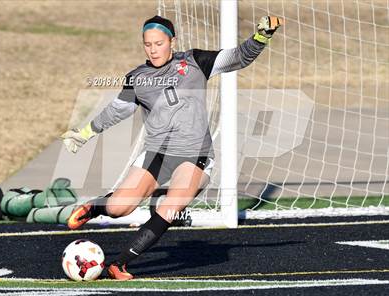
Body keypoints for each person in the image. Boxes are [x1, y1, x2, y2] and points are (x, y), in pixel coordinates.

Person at [61, 15, 282, 280]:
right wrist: (84, 133)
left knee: (170, 207)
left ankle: (118, 264)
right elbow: (116, 112)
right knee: (120, 208)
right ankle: (95, 208)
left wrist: (261, 37)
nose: (153, 50)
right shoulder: (137, 78)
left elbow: (238, 57)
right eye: (147, 44)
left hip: (195, 156)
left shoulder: (195, 62)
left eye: (159, 43)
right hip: (157, 153)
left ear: (172, 41)